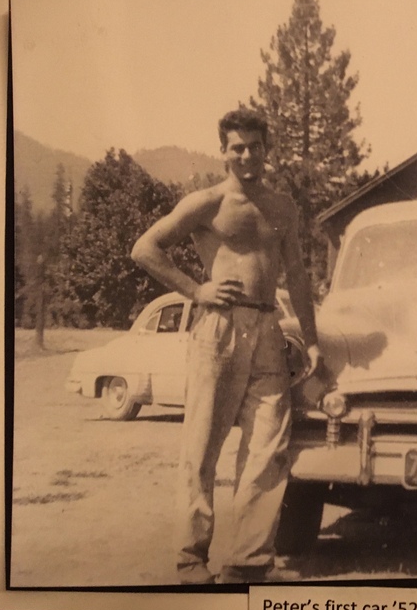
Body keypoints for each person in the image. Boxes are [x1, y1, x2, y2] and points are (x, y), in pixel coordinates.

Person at [131, 108, 320, 584]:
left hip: (268, 329)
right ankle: (191, 560)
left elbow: (296, 274)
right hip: (217, 329)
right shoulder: (208, 203)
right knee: (202, 446)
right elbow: (145, 248)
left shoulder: (282, 208)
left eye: (255, 145)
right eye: (237, 146)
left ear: (266, 150)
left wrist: (312, 340)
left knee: (268, 447)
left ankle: (248, 562)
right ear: (224, 152)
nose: (247, 154)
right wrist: (196, 290)